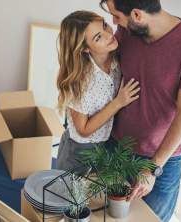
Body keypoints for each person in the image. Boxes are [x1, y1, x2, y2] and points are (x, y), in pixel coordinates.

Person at [99, 0, 181, 221]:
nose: (114, 22)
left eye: (117, 16)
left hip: (160, 162)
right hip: (116, 147)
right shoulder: (127, 32)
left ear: (137, 15)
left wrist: (152, 169)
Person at [55, 10, 139, 171]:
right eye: (98, 37)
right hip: (79, 152)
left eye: (105, 26)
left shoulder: (116, 60)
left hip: (104, 145)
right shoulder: (80, 82)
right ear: (85, 49)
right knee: (69, 194)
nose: (109, 35)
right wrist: (119, 102)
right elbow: (83, 130)